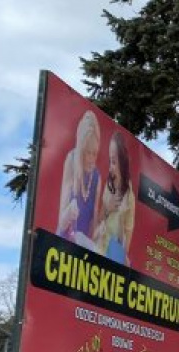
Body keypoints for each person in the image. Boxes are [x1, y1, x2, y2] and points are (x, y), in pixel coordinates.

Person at [58, 110, 103, 249]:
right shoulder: (71, 161)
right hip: (61, 244)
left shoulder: (97, 177)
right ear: (80, 150)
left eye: (94, 153)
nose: (91, 159)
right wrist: (69, 212)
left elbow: (92, 230)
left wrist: (99, 233)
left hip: (81, 252)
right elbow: (61, 223)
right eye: (86, 153)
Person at [95, 131, 135, 265]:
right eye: (109, 161)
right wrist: (108, 208)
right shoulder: (109, 186)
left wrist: (120, 262)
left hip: (113, 255)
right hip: (99, 247)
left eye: (113, 162)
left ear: (122, 163)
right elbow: (98, 219)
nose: (110, 167)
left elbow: (128, 236)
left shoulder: (129, 197)